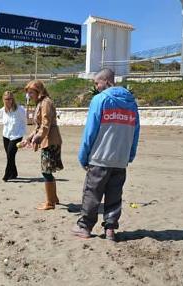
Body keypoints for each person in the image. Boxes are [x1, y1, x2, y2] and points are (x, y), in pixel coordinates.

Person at [71, 68, 140, 241]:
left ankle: (84, 227)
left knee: (92, 194)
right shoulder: (131, 103)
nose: (96, 86)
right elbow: (135, 132)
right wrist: (130, 155)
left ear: (107, 81)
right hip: (120, 159)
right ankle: (110, 228)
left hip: (100, 157)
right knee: (114, 195)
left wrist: (83, 156)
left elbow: (90, 132)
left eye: (97, 83)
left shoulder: (99, 99)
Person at [20, 80, 63, 210]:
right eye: (28, 93)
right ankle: (54, 198)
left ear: (39, 91)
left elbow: (45, 124)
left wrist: (37, 138)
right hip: (47, 140)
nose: (29, 95)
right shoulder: (40, 103)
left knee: (46, 172)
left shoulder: (46, 103)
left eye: (31, 92)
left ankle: (50, 203)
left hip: (50, 141)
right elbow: (38, 127)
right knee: (47, 170)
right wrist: (28, 139)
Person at [0, 91, 26, 182]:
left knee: (11, 154)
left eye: (11, 99)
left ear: (13, 99)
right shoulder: (2, 110)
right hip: (6, 135)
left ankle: (7, 174)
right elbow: (4, 124)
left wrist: (22, 134)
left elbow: (24, 122)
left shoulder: (19, 109)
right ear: (4, 99)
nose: (9, 101)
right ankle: (14, 173)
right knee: (9, 156)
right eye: (7, 99)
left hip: (17, 136)